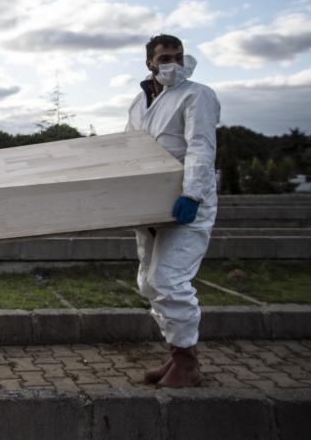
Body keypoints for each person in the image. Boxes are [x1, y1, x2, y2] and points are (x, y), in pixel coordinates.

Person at [125, 34, 220, 388]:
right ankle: (176, 353)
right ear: (149, 62)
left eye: (179, 56)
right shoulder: (140, 102)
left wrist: (193, 194)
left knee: (169, 281)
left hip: (186, 204)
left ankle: (187, 365)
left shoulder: (197, 94)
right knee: (150, 281)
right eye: (165, 57)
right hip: (151, 204)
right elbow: (130, 152)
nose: (174, 63)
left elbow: (201, 147)